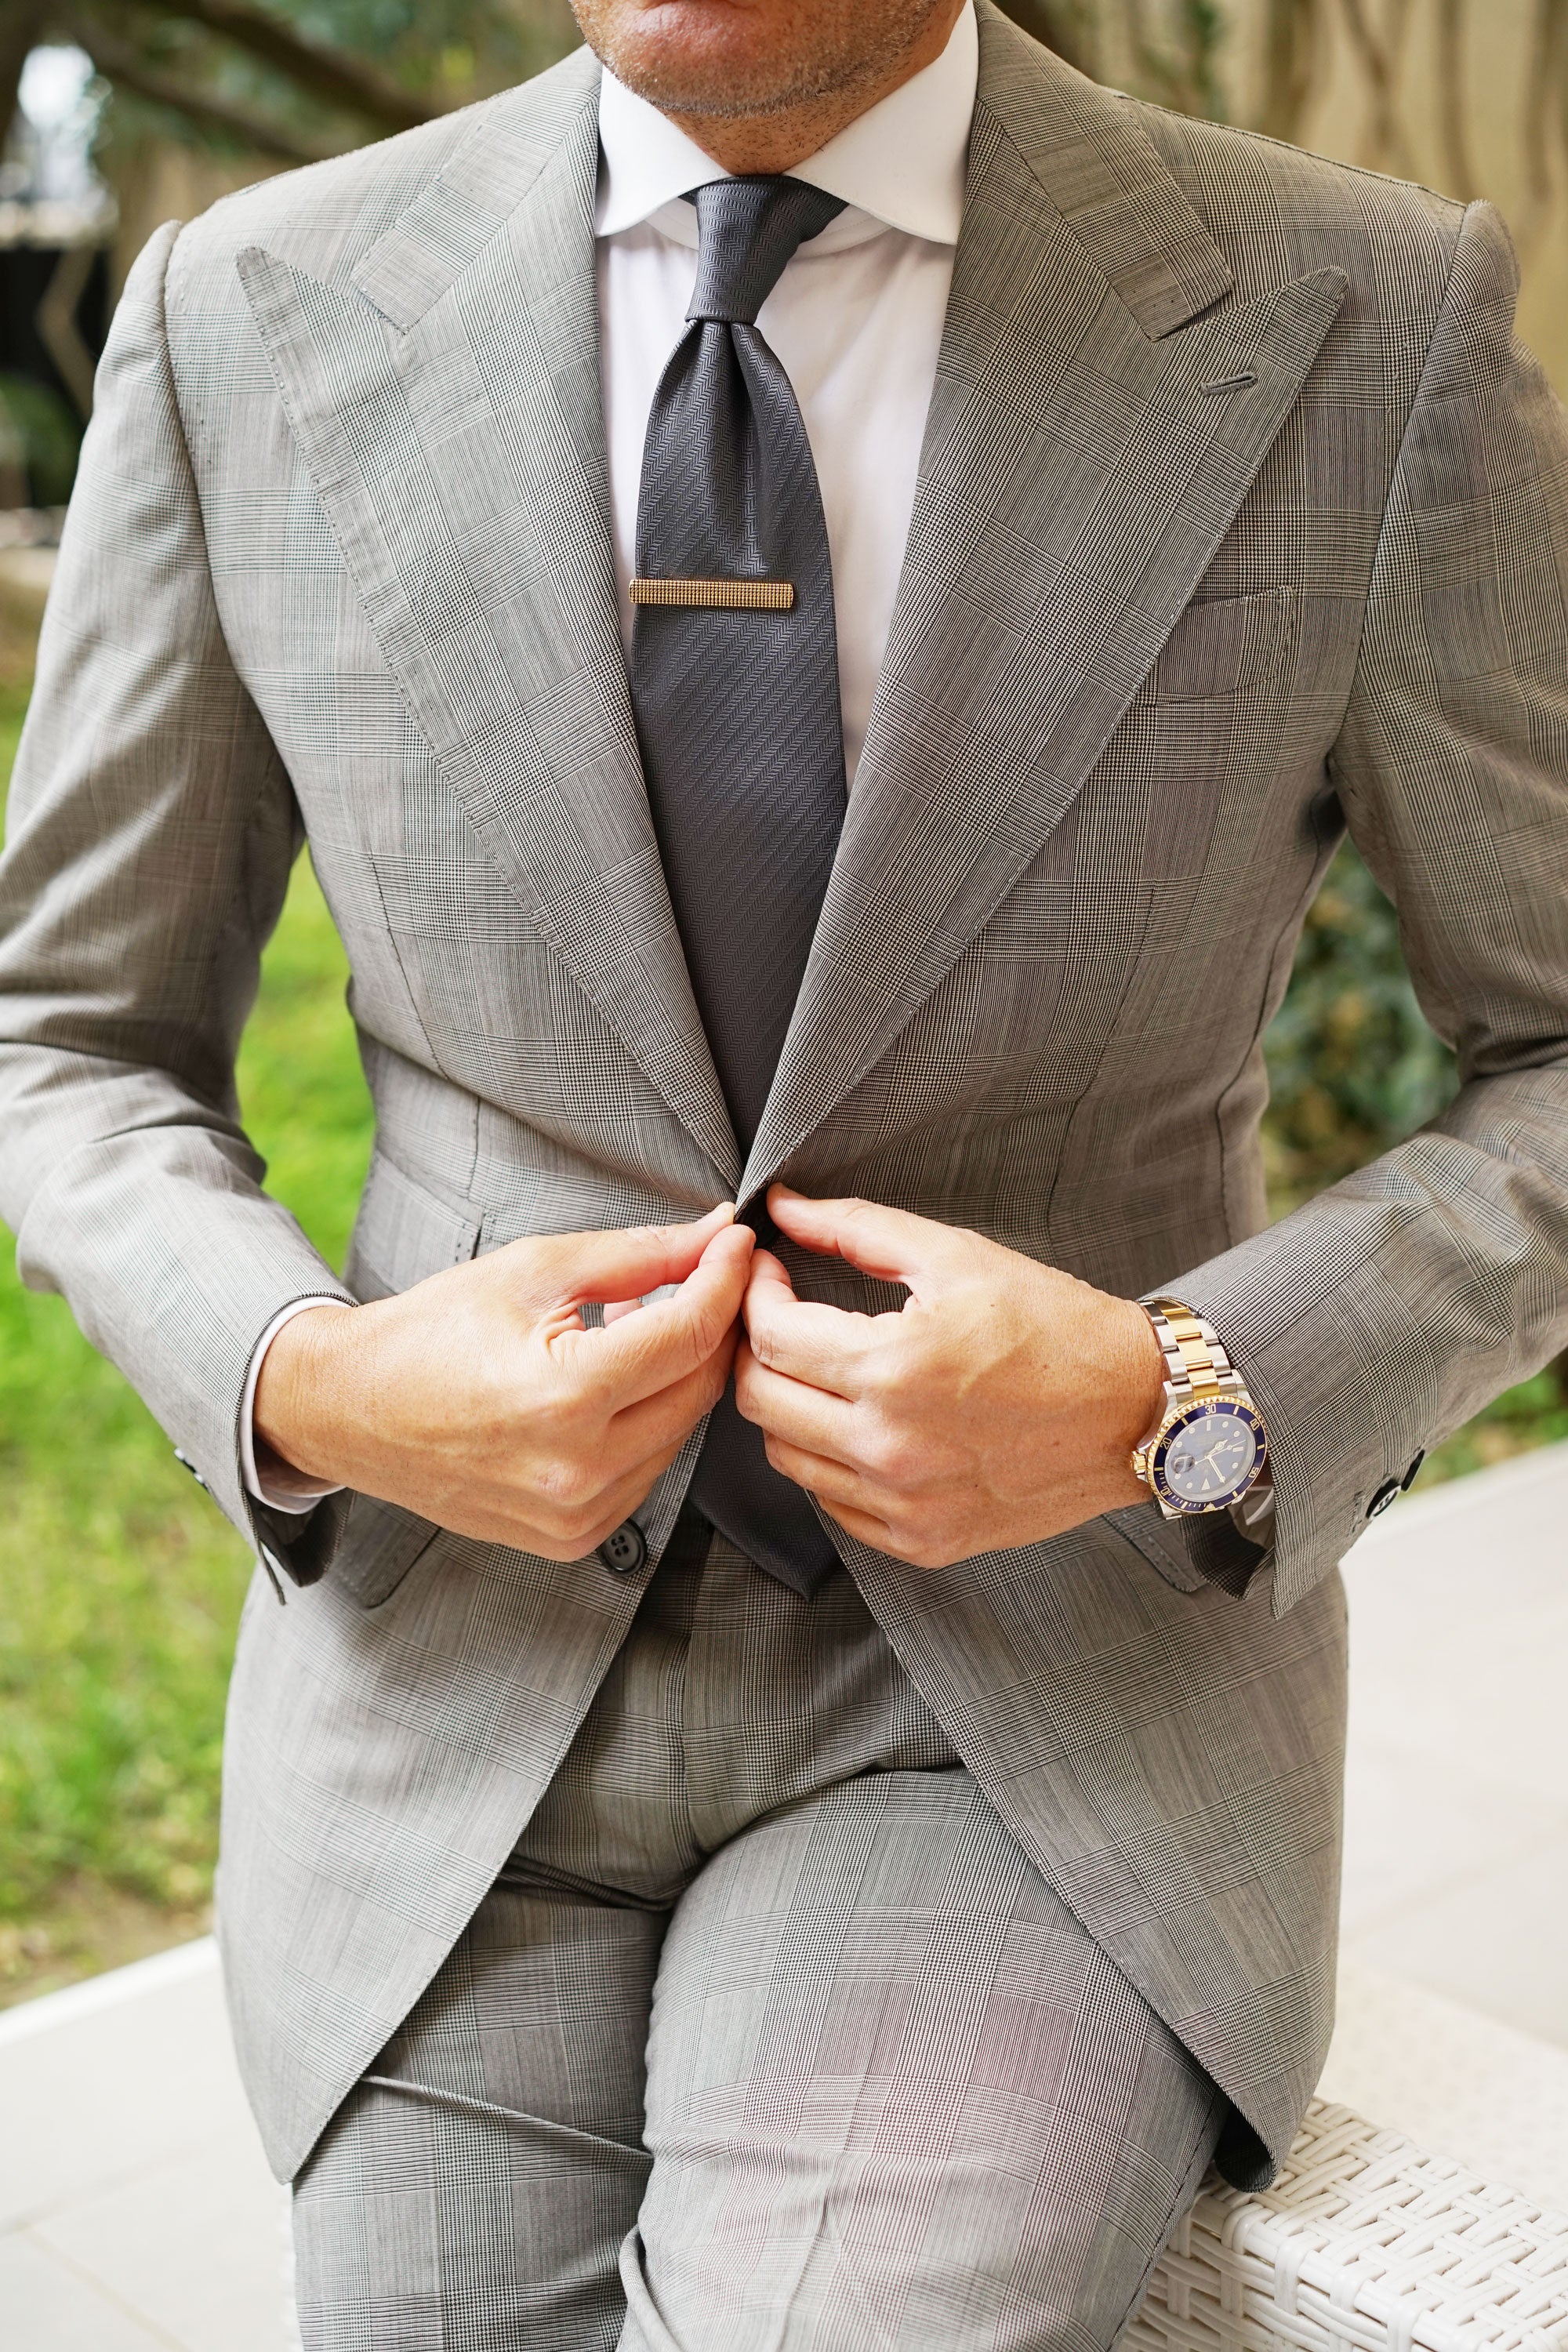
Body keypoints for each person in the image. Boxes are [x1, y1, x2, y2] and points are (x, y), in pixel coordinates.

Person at [2, 0, 1566, 2341]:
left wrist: (1177, 1388)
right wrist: (310, 1381)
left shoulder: (1361, 320)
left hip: (1033, 1702)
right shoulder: (243, 312)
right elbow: (66, 1040)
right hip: (448, 1695)